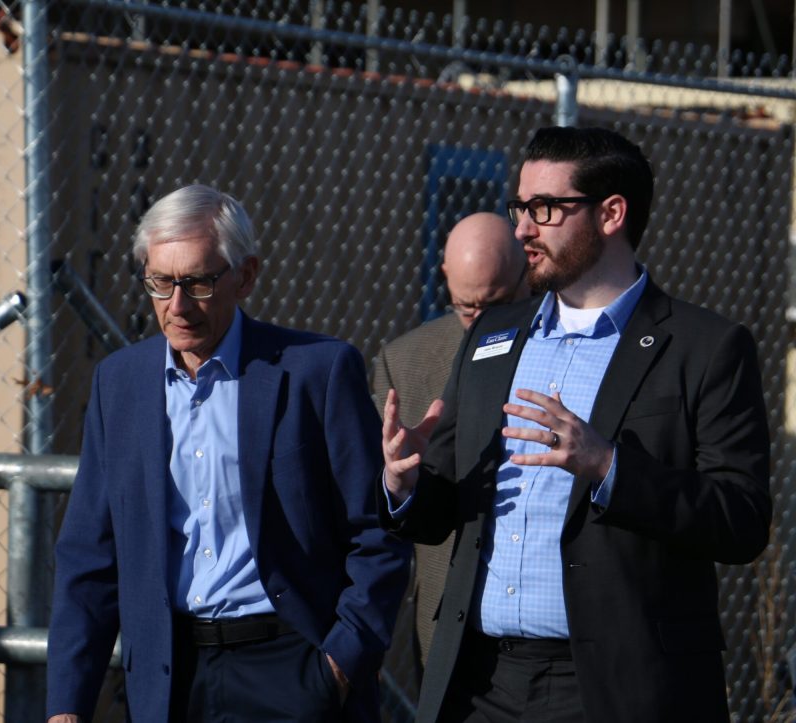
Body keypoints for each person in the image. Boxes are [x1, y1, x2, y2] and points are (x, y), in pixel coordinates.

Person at [380, 126, 771, 723]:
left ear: (611, 213)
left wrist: (609, 466)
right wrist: (406, 485)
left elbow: (740, 520)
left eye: (545, 209)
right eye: (519, 207)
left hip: (615, 686)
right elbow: (441, 510)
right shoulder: (492, 335)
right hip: (479, 683)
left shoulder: (705, 348)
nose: (522, 230)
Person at [46, 184, 410, 723]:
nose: (177, 305)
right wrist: (66, 707)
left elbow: (377, 534)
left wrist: (336, 665)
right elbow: (89, 559)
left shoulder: (317, 372)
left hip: (291, 666)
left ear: (245, 276)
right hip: (169, 675)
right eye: (161, 282)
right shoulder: (118, 384)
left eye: (197, 282)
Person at [372, 211, 529, 675]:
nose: (479, 323)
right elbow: (379, 519)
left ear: (528, 275)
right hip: (447, 627)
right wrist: (397, 483)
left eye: (496, 305)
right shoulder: (405, 363)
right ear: (444, 276)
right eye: (466, 309)